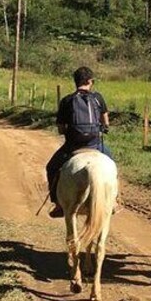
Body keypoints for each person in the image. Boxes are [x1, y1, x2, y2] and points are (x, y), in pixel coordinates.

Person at [46, 66, 113, 218]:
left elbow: (61, 128)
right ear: (90, 81)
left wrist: (69, 130)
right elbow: (106, 122)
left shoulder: (67, 100)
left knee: (51, 167)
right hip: (95, 144)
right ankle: (114, 200)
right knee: (112, 165)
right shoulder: (98, 98)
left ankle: (57, 204)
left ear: (75, 82)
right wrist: (103, 128)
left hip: (73, 146)